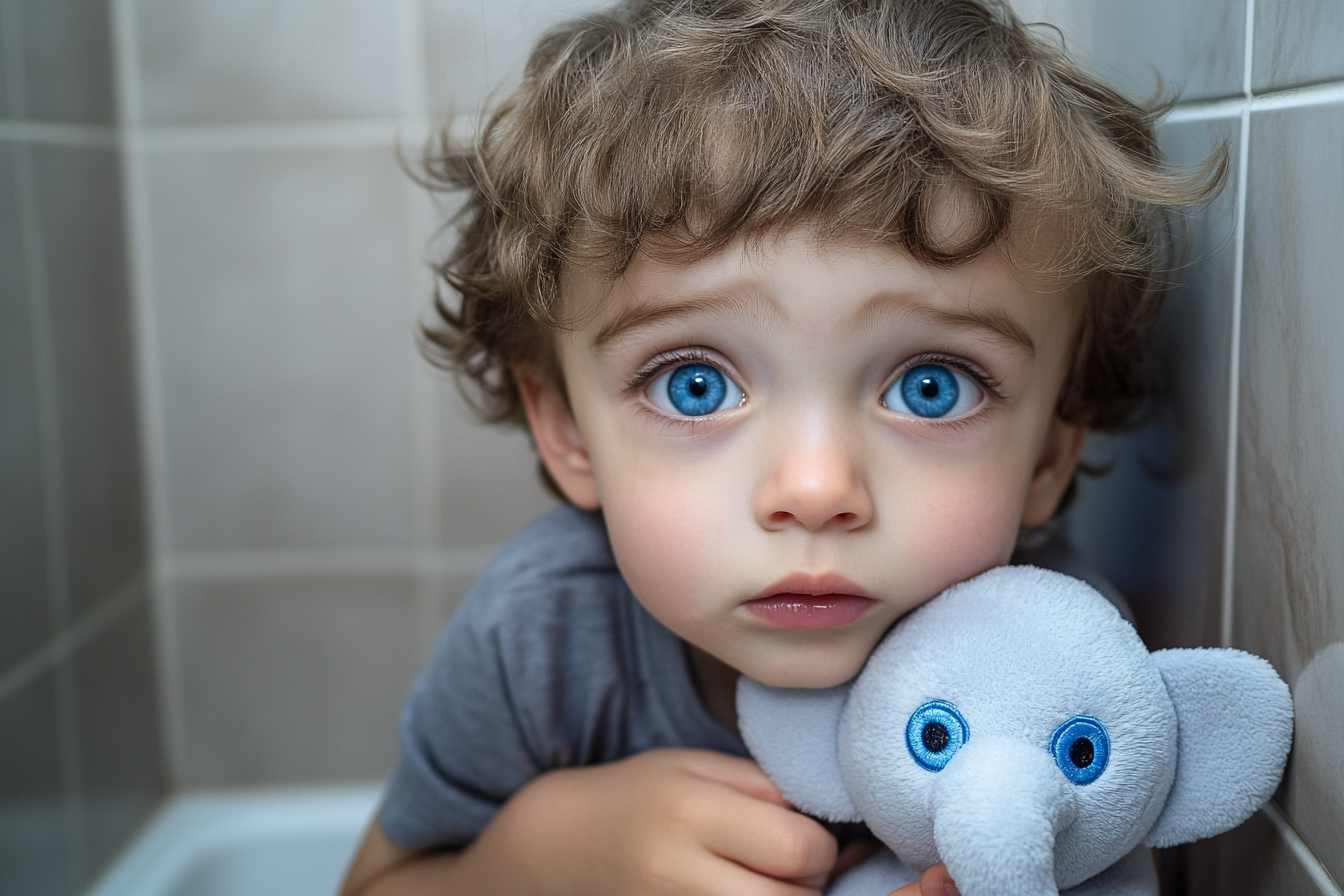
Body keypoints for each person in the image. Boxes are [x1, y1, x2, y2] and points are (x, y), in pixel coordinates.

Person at [340, 1, 1224, 894]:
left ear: (1048, 455)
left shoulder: (1054, 671)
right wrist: (537, 858)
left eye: (932, 386)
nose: (814, 489)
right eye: (696, 384)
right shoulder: (539, 638)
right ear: (566, 428)